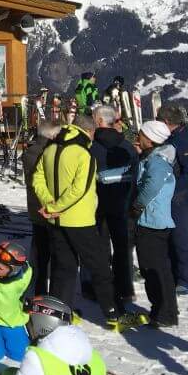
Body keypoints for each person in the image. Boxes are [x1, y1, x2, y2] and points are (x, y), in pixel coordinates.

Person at [31, 118, 124, 324]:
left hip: (56, 221)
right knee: (99, 266)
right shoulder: (83, 153)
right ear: (89, 132)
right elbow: (79, 189)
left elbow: (37, 178)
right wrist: (55, 207)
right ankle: (113, 313)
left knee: (63, 268)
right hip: (79, 220)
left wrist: (49, 204)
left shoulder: (50, 148)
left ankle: (59, 314)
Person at [130, 119, 178, 327]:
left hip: (152, 222)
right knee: (158, 268)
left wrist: (137, 205)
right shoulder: (153, 157)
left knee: (153, 268)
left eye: (141, 134)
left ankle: (163, 313)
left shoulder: (157, 161)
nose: (137, 136)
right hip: (154, 220)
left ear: (150, 139)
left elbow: (152, 184)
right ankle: (165, 310)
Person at [90, 103, 137, 309]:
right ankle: (125, 289)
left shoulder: (92, 147)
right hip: (123, 203)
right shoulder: (127, 146)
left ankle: (101, 288)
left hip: (98, 204)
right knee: (122, 248)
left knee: (99, 249)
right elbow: (136, 175)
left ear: (100, 121)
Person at [158, 104, 188, 293]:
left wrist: (171, 189)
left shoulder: (183, 140)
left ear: (167, 121)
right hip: (170, 194)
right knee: (168, 235)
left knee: (180, 236)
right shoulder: (172, 137)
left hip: (179, 196)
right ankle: (174, 274)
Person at [23, 122, 57, 297]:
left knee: (40, 251)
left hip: (39, 209)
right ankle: (39, 291)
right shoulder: (40, 152)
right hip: (43, 209)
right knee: (42, 254)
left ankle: (38, 288)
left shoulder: (34, 150)